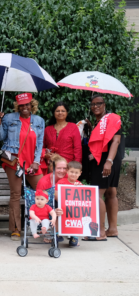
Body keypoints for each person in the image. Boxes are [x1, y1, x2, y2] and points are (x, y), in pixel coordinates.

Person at [0, 93, 45, 241]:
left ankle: (44, 225)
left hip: (32, 163)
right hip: (14, 161)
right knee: (15, 194)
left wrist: (37, 161)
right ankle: (16, 228)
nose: (24, 107)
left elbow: (40, 143)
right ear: (18, 106)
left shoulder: (39, 121)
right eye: (21, 105)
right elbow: (2, 137)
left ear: (32, 105)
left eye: (27, 104)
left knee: (42, 190)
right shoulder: (9, 118)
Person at [83, 95, 124, 241]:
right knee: (111, 192)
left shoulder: (112, 118)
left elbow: (116, 141)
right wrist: (91, 128)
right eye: (93, 104)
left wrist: (109, 161)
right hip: (106, 159)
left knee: (96, 194)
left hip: (107, 160)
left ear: (104, 104)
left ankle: (100, 232)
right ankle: (112, 229)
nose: (95, 106)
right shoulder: (98, 121)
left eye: (99, 103)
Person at [42, 102, 82, 174]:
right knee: (51, 184)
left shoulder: (73, 127)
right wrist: (45, 155)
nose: (60, 113)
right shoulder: (47, 129)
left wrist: (76, 165)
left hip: (67, 164)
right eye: (57, 111)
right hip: (51, 164)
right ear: (54, 113)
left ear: (67, 113)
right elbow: (42, 146)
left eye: (63, 111)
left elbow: (77, 148)